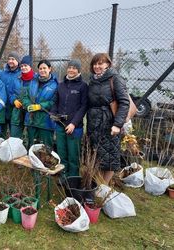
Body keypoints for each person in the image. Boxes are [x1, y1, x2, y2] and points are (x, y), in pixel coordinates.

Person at [87, 53, 129, 184]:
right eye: (95, 64)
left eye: (100, 63)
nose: (97, 66)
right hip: (93, 122)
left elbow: (124, 102)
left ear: (108, 64)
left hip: (109, 123)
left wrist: (117, 124)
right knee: (97, 154)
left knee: (110, 156)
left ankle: (104, 185)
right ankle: (96, 182)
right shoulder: (93, 80)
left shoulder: (115, 78)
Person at [50, 59, 88, 177]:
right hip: (60, 126)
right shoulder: (61, 85)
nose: (71, 70)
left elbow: (83, 107)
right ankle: (64, 176)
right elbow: (55, 102)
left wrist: (73, 123)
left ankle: (73, 178)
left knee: (73, 155)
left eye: (74, 68)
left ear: (78, 70)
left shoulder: (83, 86)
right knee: (62, 152)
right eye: (69, 67)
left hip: (74, 128)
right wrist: (53, 113)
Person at [22, 59, 58, 148]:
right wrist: (27, 105)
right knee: (31, 147)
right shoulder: (33, 82)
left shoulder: (55, 85)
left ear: (50, 69)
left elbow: (54, 102)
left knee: (45, 149)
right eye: (40, 68)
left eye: (44, 68)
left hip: (46, 123)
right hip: (31, 120)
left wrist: (40, 106)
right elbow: (25, 96)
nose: (42, 70)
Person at [10, 55, 36, 139]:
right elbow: (11, 93)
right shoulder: (16, 79)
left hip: (31, 111)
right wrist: (14, 100)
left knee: (30, 138)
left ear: (30, 66)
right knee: (14, 136)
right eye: (21, 66)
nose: (23, 68)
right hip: (17, 111)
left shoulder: (36, 79)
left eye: (25, 65)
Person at [0, 52, 21, 138]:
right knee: (2, 131)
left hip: (15, 107)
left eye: (13, 59)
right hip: (3, 106)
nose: (10, 61)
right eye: (9, 59)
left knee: (14, 132)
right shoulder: (3, 73)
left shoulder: (21, 73)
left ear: (18, 61)